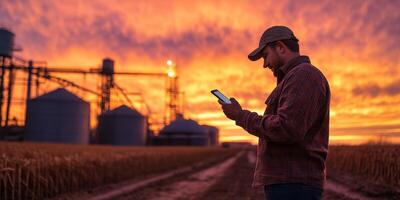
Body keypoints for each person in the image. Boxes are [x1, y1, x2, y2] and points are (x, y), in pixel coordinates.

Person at [217, 26, 330, 200]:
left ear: (280, 47)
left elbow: (287, 128)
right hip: (289, 184)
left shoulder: (304, 75)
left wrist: (240, 115)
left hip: (295, 186)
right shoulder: (294, 78)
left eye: (265, 55)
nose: (264, 64)